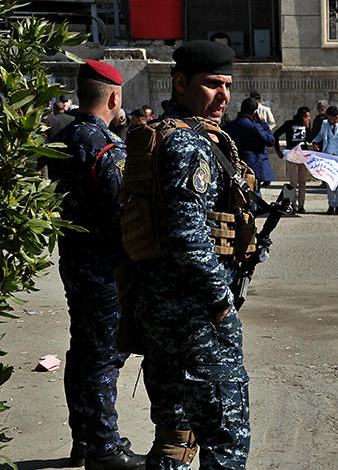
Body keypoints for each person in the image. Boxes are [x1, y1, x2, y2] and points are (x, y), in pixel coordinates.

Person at [131, 40, 251, 468]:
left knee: (175, 435)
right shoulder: (188, 146)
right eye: (212, 85)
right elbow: (188, 236)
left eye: (228, 86)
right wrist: (220, 303)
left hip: (159, 308)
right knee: (225, 438)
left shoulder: (162, 134)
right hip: (195, 314)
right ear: (180, 83)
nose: (223, 96)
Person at [46, 60, 146, 469]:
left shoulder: (63, 135)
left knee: (83, 350)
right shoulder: (106, 144)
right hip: (107, 267)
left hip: (74, 260)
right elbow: (124, 203)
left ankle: (84, 438)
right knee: (104, 354)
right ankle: (105, 448)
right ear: (115, 97)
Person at [223, 97, 275, 198]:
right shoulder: (255, 127)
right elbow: (270, 140)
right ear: (255, 111)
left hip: (233, 166)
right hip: (252, 168)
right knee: (254, 195)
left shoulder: (229, 126)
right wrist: (262, 122)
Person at [312, 105, 338, 214]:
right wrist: (315, 142)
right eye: (328, 118)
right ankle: (331, 205)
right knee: (329, 182)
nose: (329, 120)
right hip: (328, 156)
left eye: (331, 118)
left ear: (336, 117)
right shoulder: (325, 124)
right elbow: (320, 135)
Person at [274, 106, 312, 213]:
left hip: (303, 156)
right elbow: (276, 134)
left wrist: (308, 127)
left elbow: (309, 139)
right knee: (293, 182)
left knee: (303, 182)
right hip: (292, 155)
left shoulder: (307, 125)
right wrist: (278, 150)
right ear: (302, 116)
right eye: (307, 117)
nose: (308, 119)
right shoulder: (289, 124)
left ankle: (301, 205)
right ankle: (293, 205)